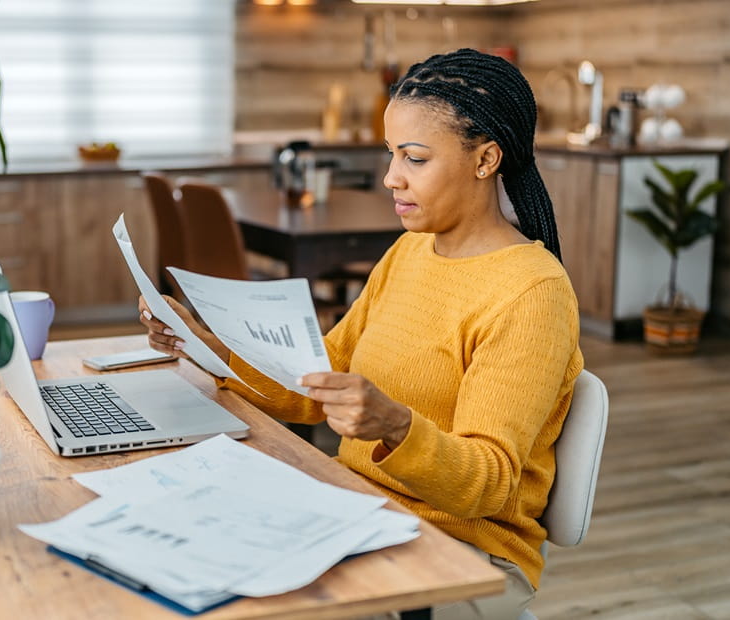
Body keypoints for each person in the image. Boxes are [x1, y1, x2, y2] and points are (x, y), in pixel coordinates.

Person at [139, 48, 583, 620]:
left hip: (464, 558)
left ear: (486, 159)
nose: (390, 176)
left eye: (415, 158)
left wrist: (396, 427)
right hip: (357, 516)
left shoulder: (532, 292)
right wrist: (207, 347)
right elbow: (310, 387)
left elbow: (489, 485)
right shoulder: (409, 251)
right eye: (391, 153)